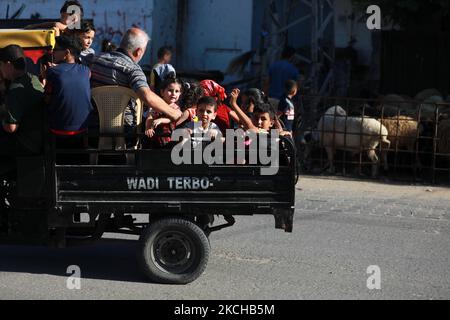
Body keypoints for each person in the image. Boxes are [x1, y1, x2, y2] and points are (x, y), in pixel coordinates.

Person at [88, 28, 182, 140]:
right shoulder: (132, 69)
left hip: (92, 129)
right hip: (124, 133)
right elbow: (147, 96)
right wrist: (174, 113)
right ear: (138, 51)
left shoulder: (94, 60)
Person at [0, 45, 45, 158]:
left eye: (1, 65)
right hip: (42, 138)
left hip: (27, 144)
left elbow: (11, 128)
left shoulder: (15, 89)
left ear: (8, 64)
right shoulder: (33, 79)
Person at [44, 35, 92, 138]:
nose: (53, 52)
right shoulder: (86, 71)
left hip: (58, 129)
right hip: (83, 127)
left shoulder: (52, 72)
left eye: (56, 49)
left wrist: (44, 78)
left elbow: (47, 99)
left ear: (67, 53)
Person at [145, 77, 182, 147]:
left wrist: (162, 120)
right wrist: (148, 128)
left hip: (170, 138)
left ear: (180, 94)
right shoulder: (157, 105)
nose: (173, 93)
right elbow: (150, 117)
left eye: (177, 91)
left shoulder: (176, 108)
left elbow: (176, 118)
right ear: (162, 92)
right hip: (156, 137)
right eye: (170, 90)